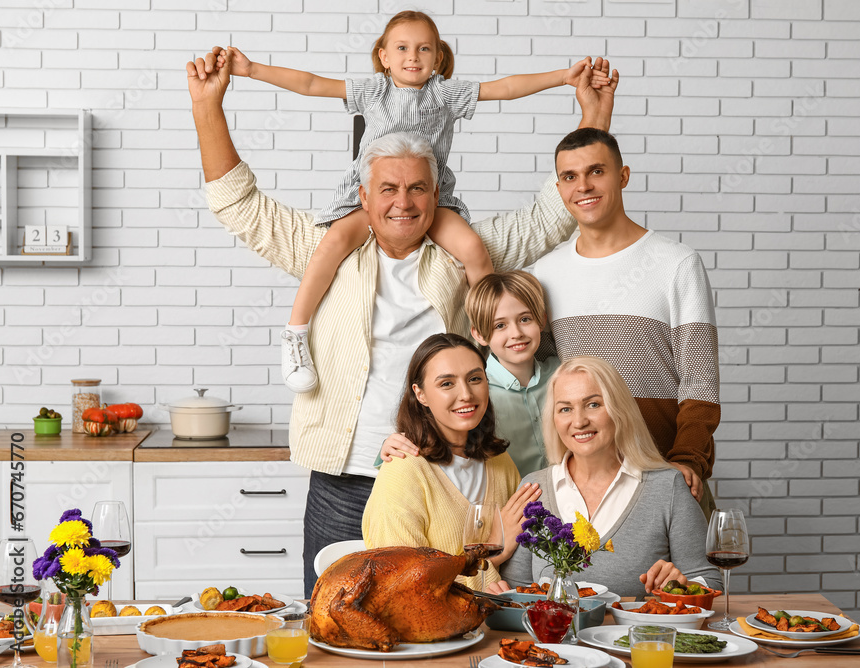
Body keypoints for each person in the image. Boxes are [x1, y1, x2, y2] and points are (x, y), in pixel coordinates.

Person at [186, 46, 618, 596]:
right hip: (344, 479)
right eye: (387, 188)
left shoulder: (463, 253)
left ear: (438, 194)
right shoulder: (328, 250)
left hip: (443, 479)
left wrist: (594, 114)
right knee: (337, 618)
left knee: (447, 614)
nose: (403, 202)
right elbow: (240, 205)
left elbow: (549, 217)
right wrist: (207, 106)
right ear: (362, 195)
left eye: (418, 188)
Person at [217, 10, 606, 393]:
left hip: (429, 200)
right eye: (402, 48)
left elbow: (505, 88)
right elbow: (310, 83)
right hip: (367, 199)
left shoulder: (445, 94)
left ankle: (489, 335)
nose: (413, 57)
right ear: (384, 57)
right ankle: (296, 335)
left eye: (424, 49)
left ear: (438, 58)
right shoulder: (374, 91)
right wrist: (252, 69)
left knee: (472, 247)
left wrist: (562, 78)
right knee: (330, 246)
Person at [530, 128, 720, 516]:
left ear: (623, 176)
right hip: (580, 491)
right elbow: (540, 381)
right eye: (569, 176)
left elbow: (700, 381)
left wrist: (688, 460)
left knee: (687, 580)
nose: (583, 186)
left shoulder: (676, 263)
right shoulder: (545, 273)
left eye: (596, 171)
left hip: (664, 477)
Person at [492, 356, 722, 599]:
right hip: (553, 637)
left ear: (618, 409)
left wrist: (680, 585)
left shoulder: (669, 485)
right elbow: (518, 591)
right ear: (554, 419)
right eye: (565, 409)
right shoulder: (534, 489)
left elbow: (711, 581)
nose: (579, 421)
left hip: (636, 637)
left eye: (593, 404)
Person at [362, 333, 540, 590]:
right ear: (420, 394)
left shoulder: (499, 462)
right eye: (447, 384)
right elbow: (404, 587)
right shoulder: (403, 470)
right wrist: (492, 556)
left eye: (475, 379)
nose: (466, 394)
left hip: (496, 622)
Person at [380, 271, 558, 477]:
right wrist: (389, 445)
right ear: (479, 334)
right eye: (500, 325)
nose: (516, 333)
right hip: (505, 501)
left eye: (525, 319)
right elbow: (429, 432)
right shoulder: (472, 394)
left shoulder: (561, 374)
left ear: (542, 321)